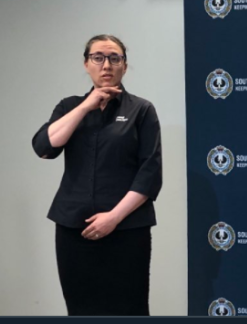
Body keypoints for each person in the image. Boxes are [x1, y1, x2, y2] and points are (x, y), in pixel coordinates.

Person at [32, 35, 162, 316]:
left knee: (130, 309)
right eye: (98, 58)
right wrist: (86, 106)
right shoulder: (69, 106)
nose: (106, 65)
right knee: (81, 309)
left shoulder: (141, 109)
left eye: (115, 58)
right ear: (86, 64)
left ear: (124, 66)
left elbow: (150, 173)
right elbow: (44, 148)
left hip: (127, 229)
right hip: (74, 228)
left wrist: (113, 218)